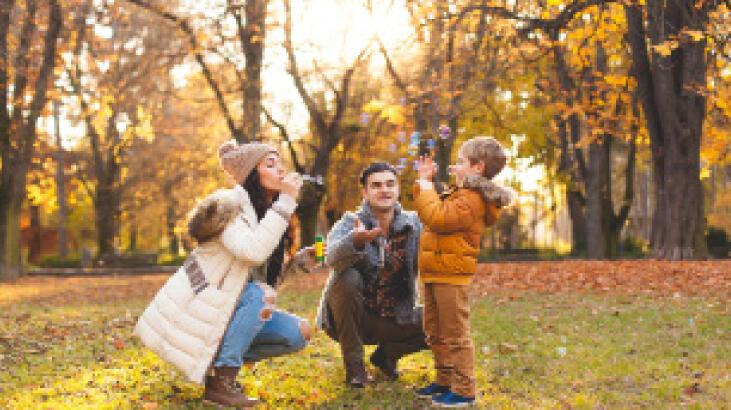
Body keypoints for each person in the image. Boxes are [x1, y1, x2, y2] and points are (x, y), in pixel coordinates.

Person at [136, 140, 317, 407]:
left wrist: (296, 263)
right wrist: (288, 200)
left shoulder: (267, 212)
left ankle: (217, 363)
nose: (280, 169)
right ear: (251, 175)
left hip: (231, 305)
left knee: (299, 333)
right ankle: (222, 383)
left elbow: (258, 278)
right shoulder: (229, 206)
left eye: (280, 163)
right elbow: (251, 252)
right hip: (201, 305)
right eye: (270, 164)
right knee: (261, 295)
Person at [413, 136, 513, 407]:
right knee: (435, 329)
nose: (454, 167)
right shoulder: (459, 194)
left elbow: (438, 218)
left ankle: (465, 389)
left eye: (460, 162)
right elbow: (436, 212)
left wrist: (425, 185)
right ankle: (445, 379)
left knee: (454, 333)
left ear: (478, 168)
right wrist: (429, 186)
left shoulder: (471, 199)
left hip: (451, 275)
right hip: (435, 271)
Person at [316, 162, 427, 387]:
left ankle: (386, 356)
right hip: (352, 320)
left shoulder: (415, 223)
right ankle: (355, 367)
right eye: (376, 185)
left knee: (442, 316)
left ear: (397, 189)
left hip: (395, 317)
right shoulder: (350, 222)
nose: (384, 190)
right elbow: (331, 259)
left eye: (390, 184)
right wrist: (355, 241)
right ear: (365, 192)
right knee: (347, 277)